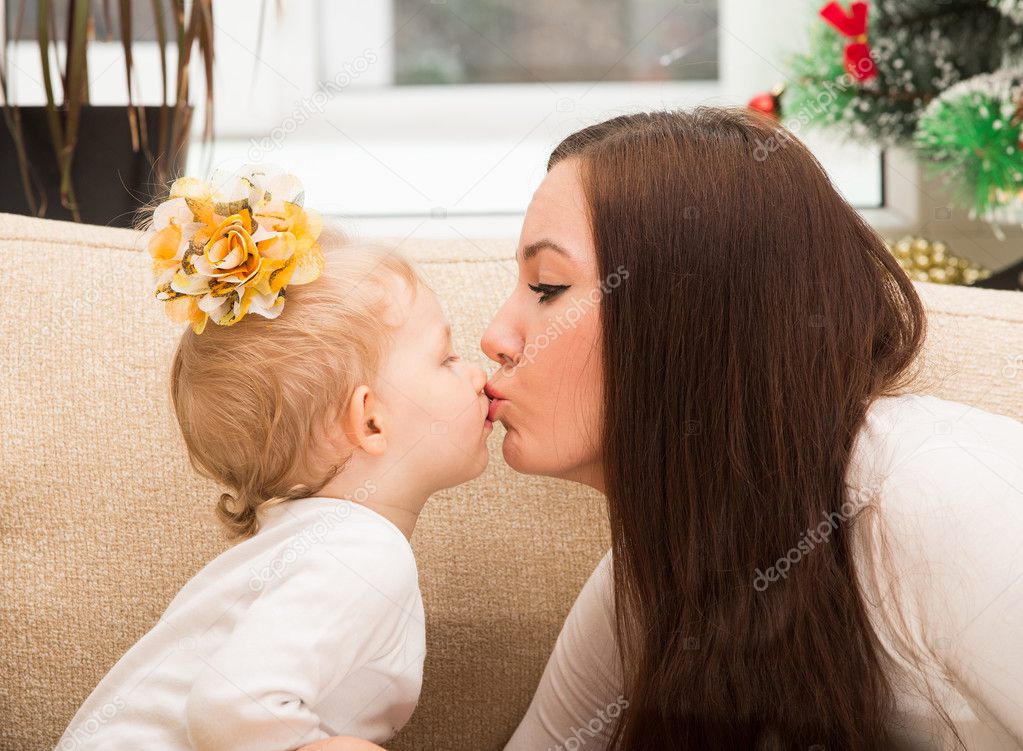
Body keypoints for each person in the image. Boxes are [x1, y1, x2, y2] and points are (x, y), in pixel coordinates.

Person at [482, 108, 1023, 750]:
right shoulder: (656, 571)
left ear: (692, 315)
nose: (495, 338)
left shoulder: (936, 495)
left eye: (546, 287)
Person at [56, 168, 492, 751]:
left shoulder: (314, 544)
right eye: (447, 358)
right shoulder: (359, 550)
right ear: (370, 421)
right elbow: (232, 709)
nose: (476, 373)